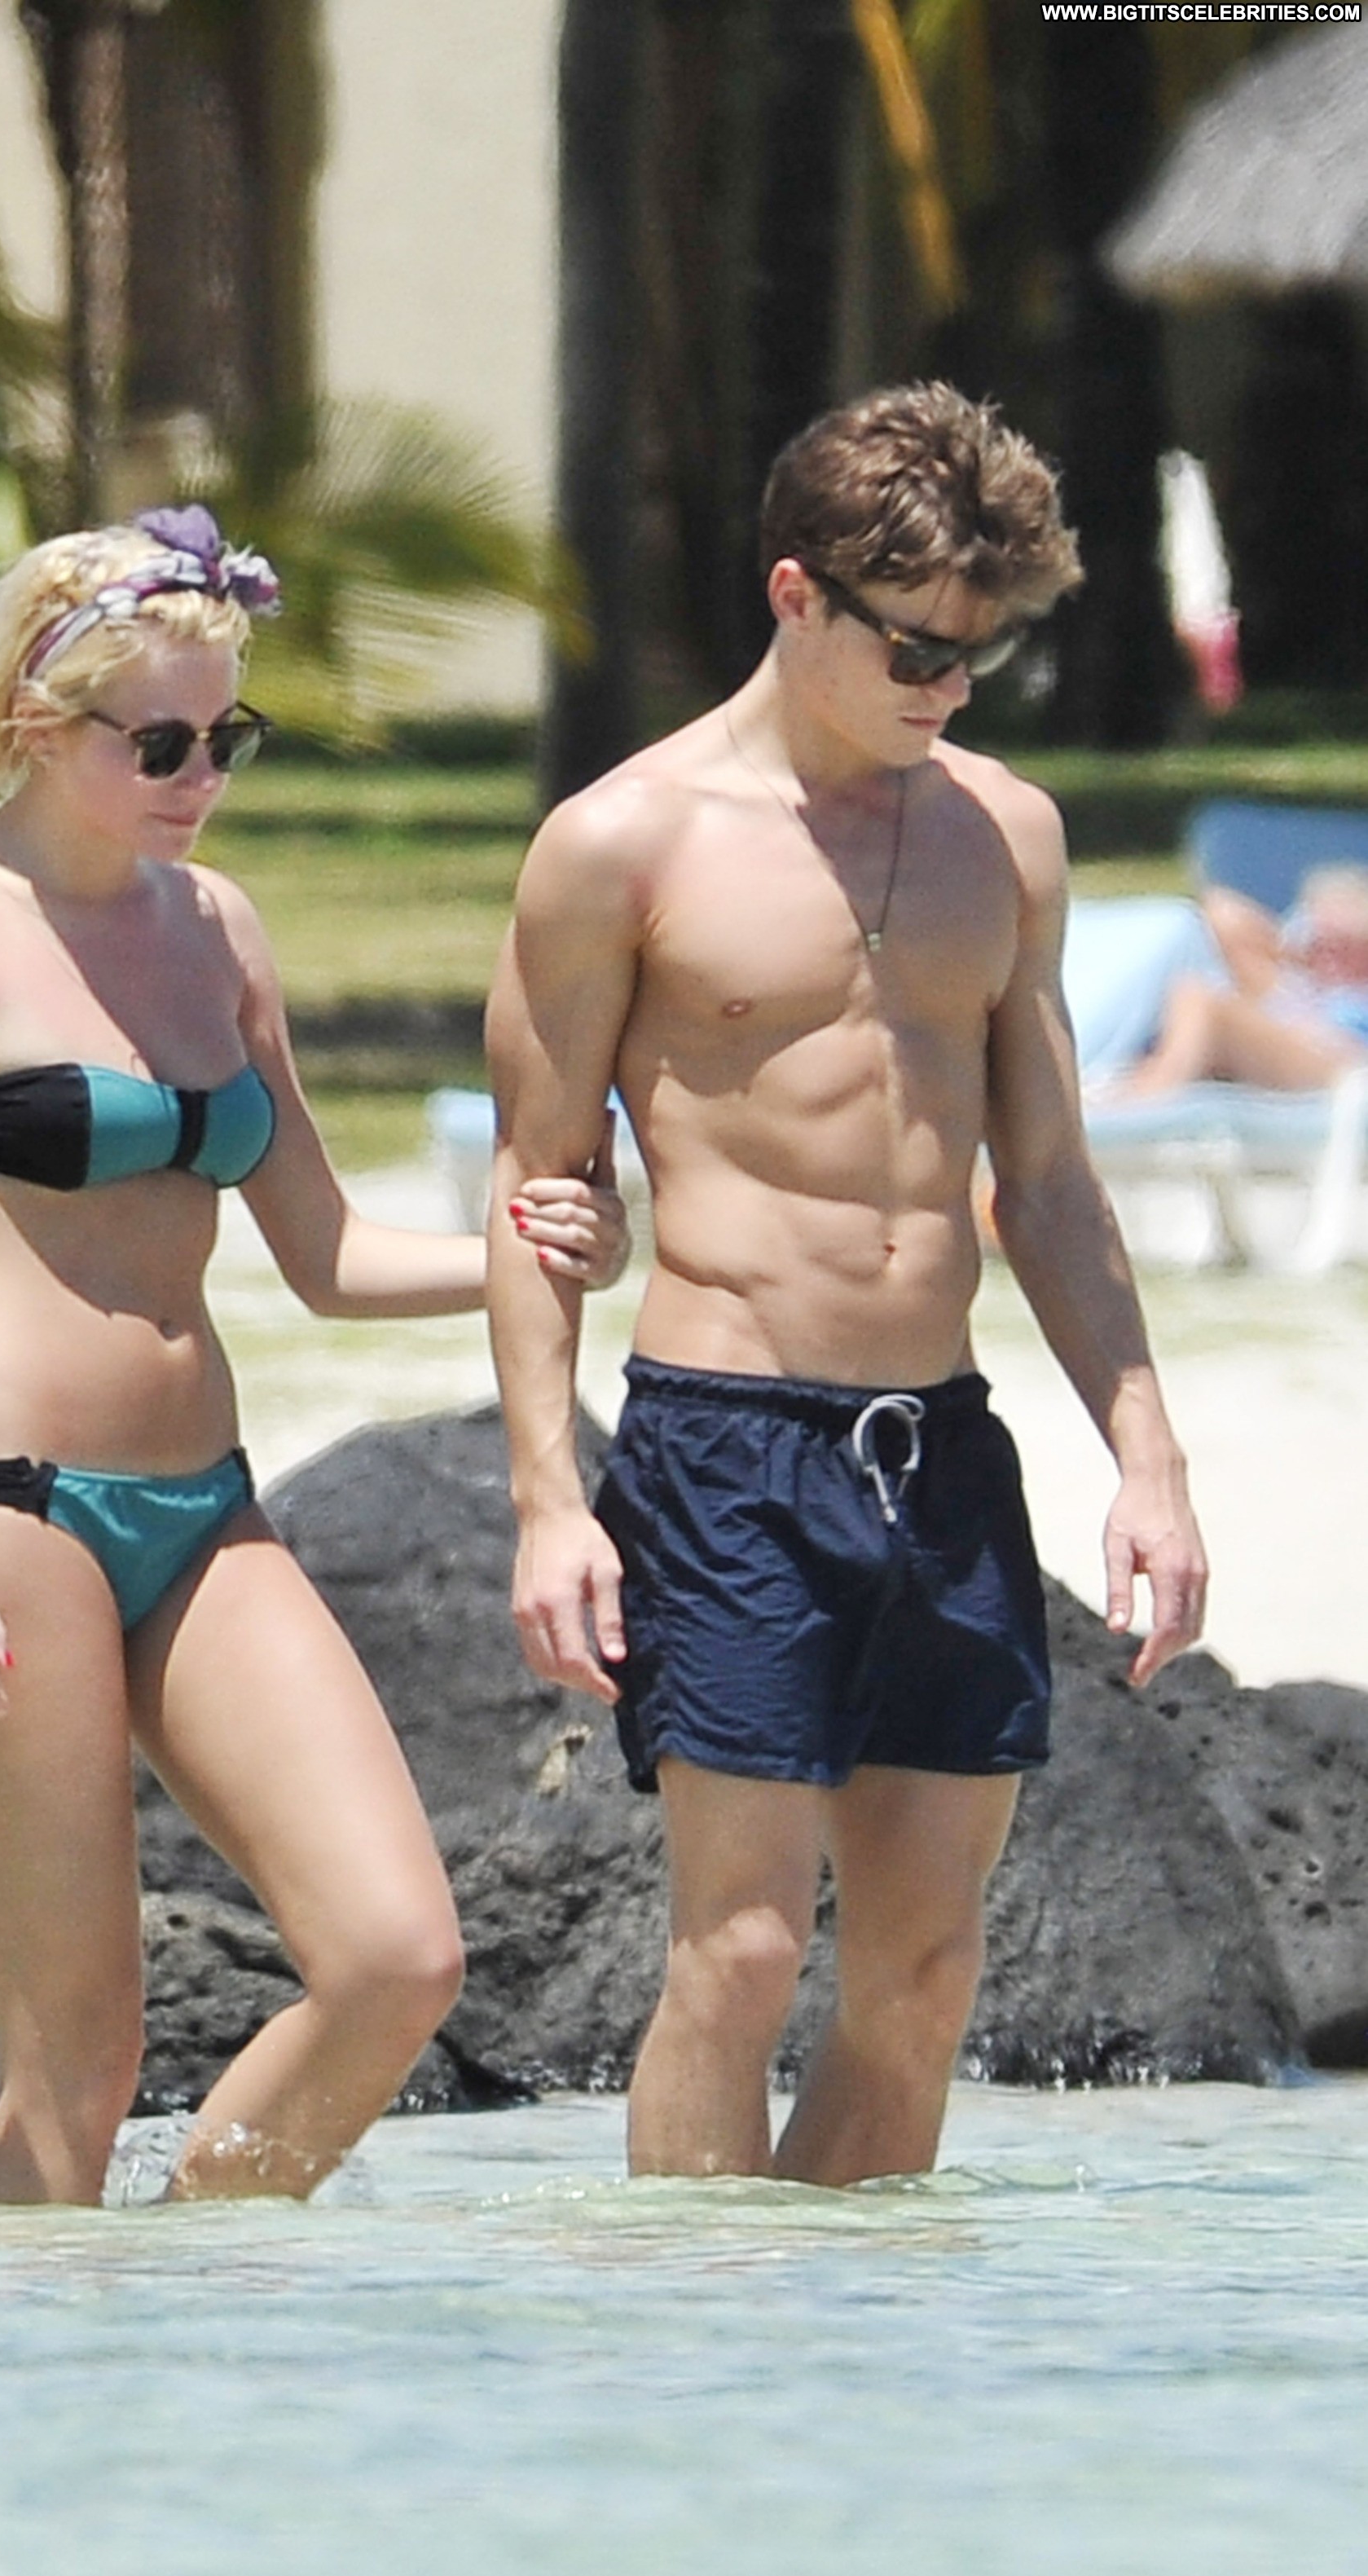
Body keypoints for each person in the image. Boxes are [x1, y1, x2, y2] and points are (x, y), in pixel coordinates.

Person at [0, 506, 627, 2207]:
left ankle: (185, 2286)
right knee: (74, 2061)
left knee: (394, 1956)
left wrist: (525, 1253)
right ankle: (34, 2352)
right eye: (157, 741)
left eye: (224, 738)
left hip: (205, 1506)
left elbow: (322, 1255)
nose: (198, 775)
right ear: (37, 718)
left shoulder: (218, 930)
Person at [485, 384, 1208, 2190]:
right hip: (724, 1441)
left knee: (925, 1972)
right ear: (793, 593)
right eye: (914, 650)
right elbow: (537, 1191)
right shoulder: (619, 843)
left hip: (937, 1452)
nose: (947, 688)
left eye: (980, 653)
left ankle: (844, 2342)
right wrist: (546, 1503)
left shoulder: (1003, 834)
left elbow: (1046, 1183)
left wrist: (1147, 1459)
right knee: (737, 1955)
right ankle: (689, 2327)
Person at [1107, 865, 1368, 1099]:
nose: (1329, 955)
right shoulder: (1299, 982)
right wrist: (1293, 951)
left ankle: (1153, 1095)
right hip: (1299, 1045)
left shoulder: (1357, 997)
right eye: (1320, 942)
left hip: (1347, 1066)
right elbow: (1222, 910)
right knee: (1192, 988)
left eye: (1346, 946)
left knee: (1204, 1001)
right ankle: (1146, 1085)